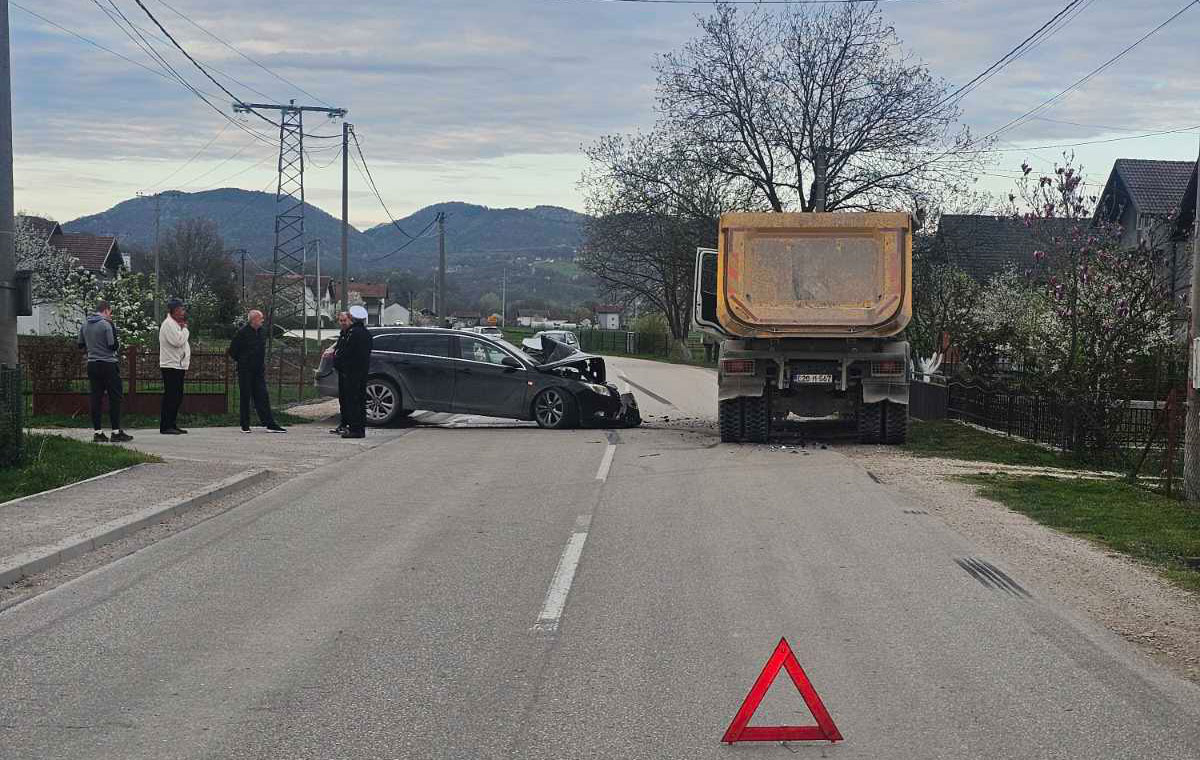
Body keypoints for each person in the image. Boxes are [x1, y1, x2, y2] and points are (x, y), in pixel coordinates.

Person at [77, 300, 132, 443]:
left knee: (96, 398)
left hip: (92, 364)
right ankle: (116, 432)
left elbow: (80, 344)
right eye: (110, 313)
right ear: (106, 310)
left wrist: (93, 348)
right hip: (108, 365)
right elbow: (113, 345)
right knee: (115, 397)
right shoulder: (106, 324)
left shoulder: (85, 324)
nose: (110, 315)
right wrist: (112, 327)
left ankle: (98, 432)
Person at [227, 309, 286, 434]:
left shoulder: (262, 332)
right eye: (260, 318)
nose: (262, 320)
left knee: (262, 396)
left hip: (258, 369)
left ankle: (269, 423)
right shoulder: (242, 333)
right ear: (253, 320)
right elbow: (232, 351)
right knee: (245, 396)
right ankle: (245, 425)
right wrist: (243, 360)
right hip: (245, 370)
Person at [335, 305, 373, 438]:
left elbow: (347, 352)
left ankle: (355, 429)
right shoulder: (365, 333)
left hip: (352, 372)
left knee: (353, 401)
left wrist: (339, 359)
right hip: (360, 372)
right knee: (358, 400)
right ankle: (356, 428)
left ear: (352, 318)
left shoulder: (353, 334)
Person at [158, 297, 191, 435]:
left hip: (178, 365)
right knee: (171, 396)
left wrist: (182, 329)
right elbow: (177, 341)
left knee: (177, 396)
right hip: (170, 365)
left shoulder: (176, 324)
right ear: (174, 311)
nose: (183, 312)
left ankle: (172, 423)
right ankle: (166, 426)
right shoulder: (168, 324)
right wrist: (185, 330)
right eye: (181, 309)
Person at [329, 311, 352, 435]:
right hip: (341, 371)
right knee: (342, 400)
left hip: (349, 372)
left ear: (350, 320)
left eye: (344, 320)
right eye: (341, 321)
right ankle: (343, 424)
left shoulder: (351, 334)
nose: (343, 323)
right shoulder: (343, 334)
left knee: (348, 400)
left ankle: (349, 424)